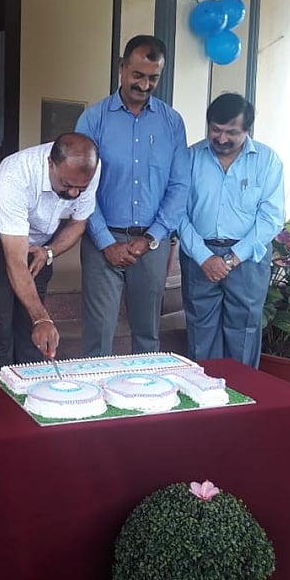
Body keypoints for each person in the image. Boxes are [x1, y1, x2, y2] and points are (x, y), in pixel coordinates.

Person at [76, 35, 189, 357]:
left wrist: (152, 237)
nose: (144, 85)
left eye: (153, 78)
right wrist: (105, 242)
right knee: (98, 335)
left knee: (148, 334)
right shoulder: (94, 119)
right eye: (138, 75)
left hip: (151, 245)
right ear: (122, 68)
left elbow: (179, 186)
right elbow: (83, 185)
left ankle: (144, 400)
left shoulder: (171, 122)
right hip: (102, 241)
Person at [0, 133, 100, 377]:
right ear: (50, 163)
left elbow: (78, 223)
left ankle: (28, 396)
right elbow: (15, 260)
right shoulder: (16, 173)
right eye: (66, 185)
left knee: (30, 330)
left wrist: (49, 252)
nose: (73, 194)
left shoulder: (89, 168)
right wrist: (42, 318)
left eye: (80, 189)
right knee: (0, 328)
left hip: (40, 242)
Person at [177, 93, 285, 368]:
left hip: (248, 258)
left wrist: (232, 258)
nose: (222, 139)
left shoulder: (267, 160)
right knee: (201, 332)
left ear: (247, 130)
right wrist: (204, 257)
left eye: (232, 133)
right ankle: (207, 401)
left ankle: (244, 399)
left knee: (245, 331)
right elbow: (177, 212)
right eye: (216, 130)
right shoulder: (190, 158)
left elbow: (271, 217)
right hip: (199, 255)